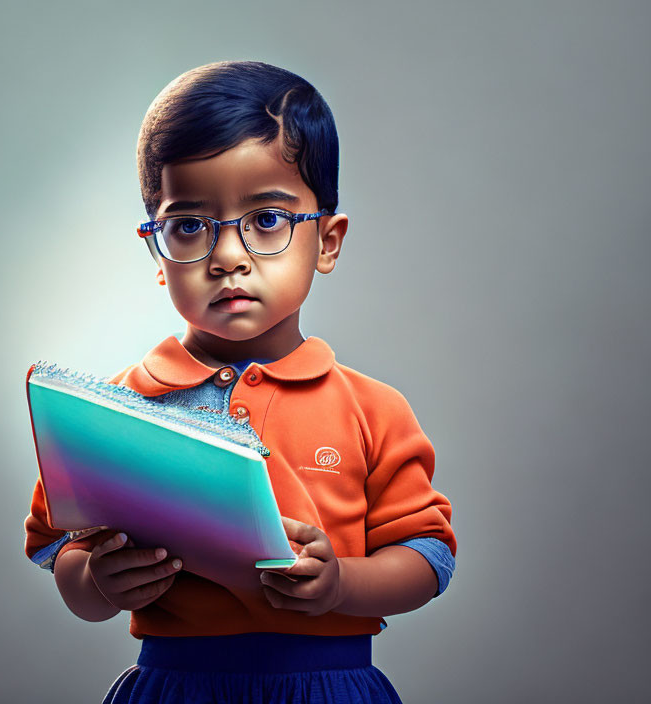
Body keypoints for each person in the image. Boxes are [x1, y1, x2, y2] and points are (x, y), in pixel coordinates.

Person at [24, 60, 457, 703]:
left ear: (328, 242)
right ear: (155, 251)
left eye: (267, 220)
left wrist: (342, 584)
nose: (228, 256)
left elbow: (428, 560)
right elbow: (63, 556)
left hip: (327, 686)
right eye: (189, 226)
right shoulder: (116, 407)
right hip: (176, 684)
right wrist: (99, 584)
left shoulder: (373, 409)